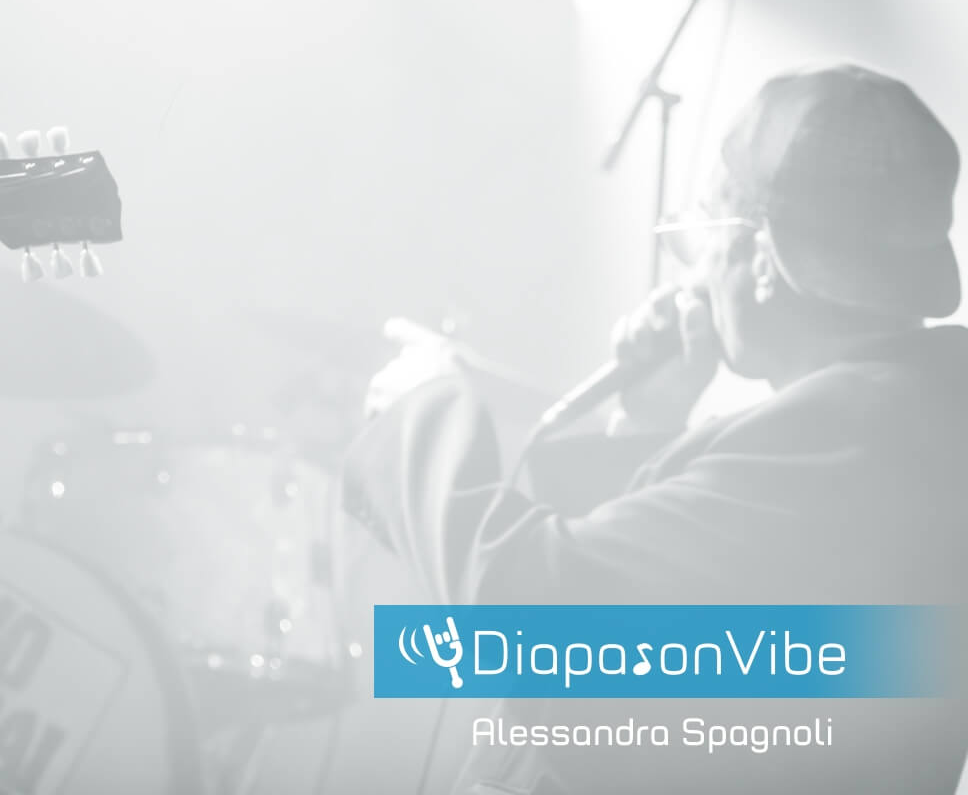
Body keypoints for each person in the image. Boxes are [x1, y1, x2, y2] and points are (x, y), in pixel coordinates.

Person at [345, 63, 968, 794]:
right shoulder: (906, 424)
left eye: (705, 235)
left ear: (760, 257)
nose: (692, 277)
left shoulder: (844, 437)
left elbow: (538, 628)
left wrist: (424, 412)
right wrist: (648, 424)